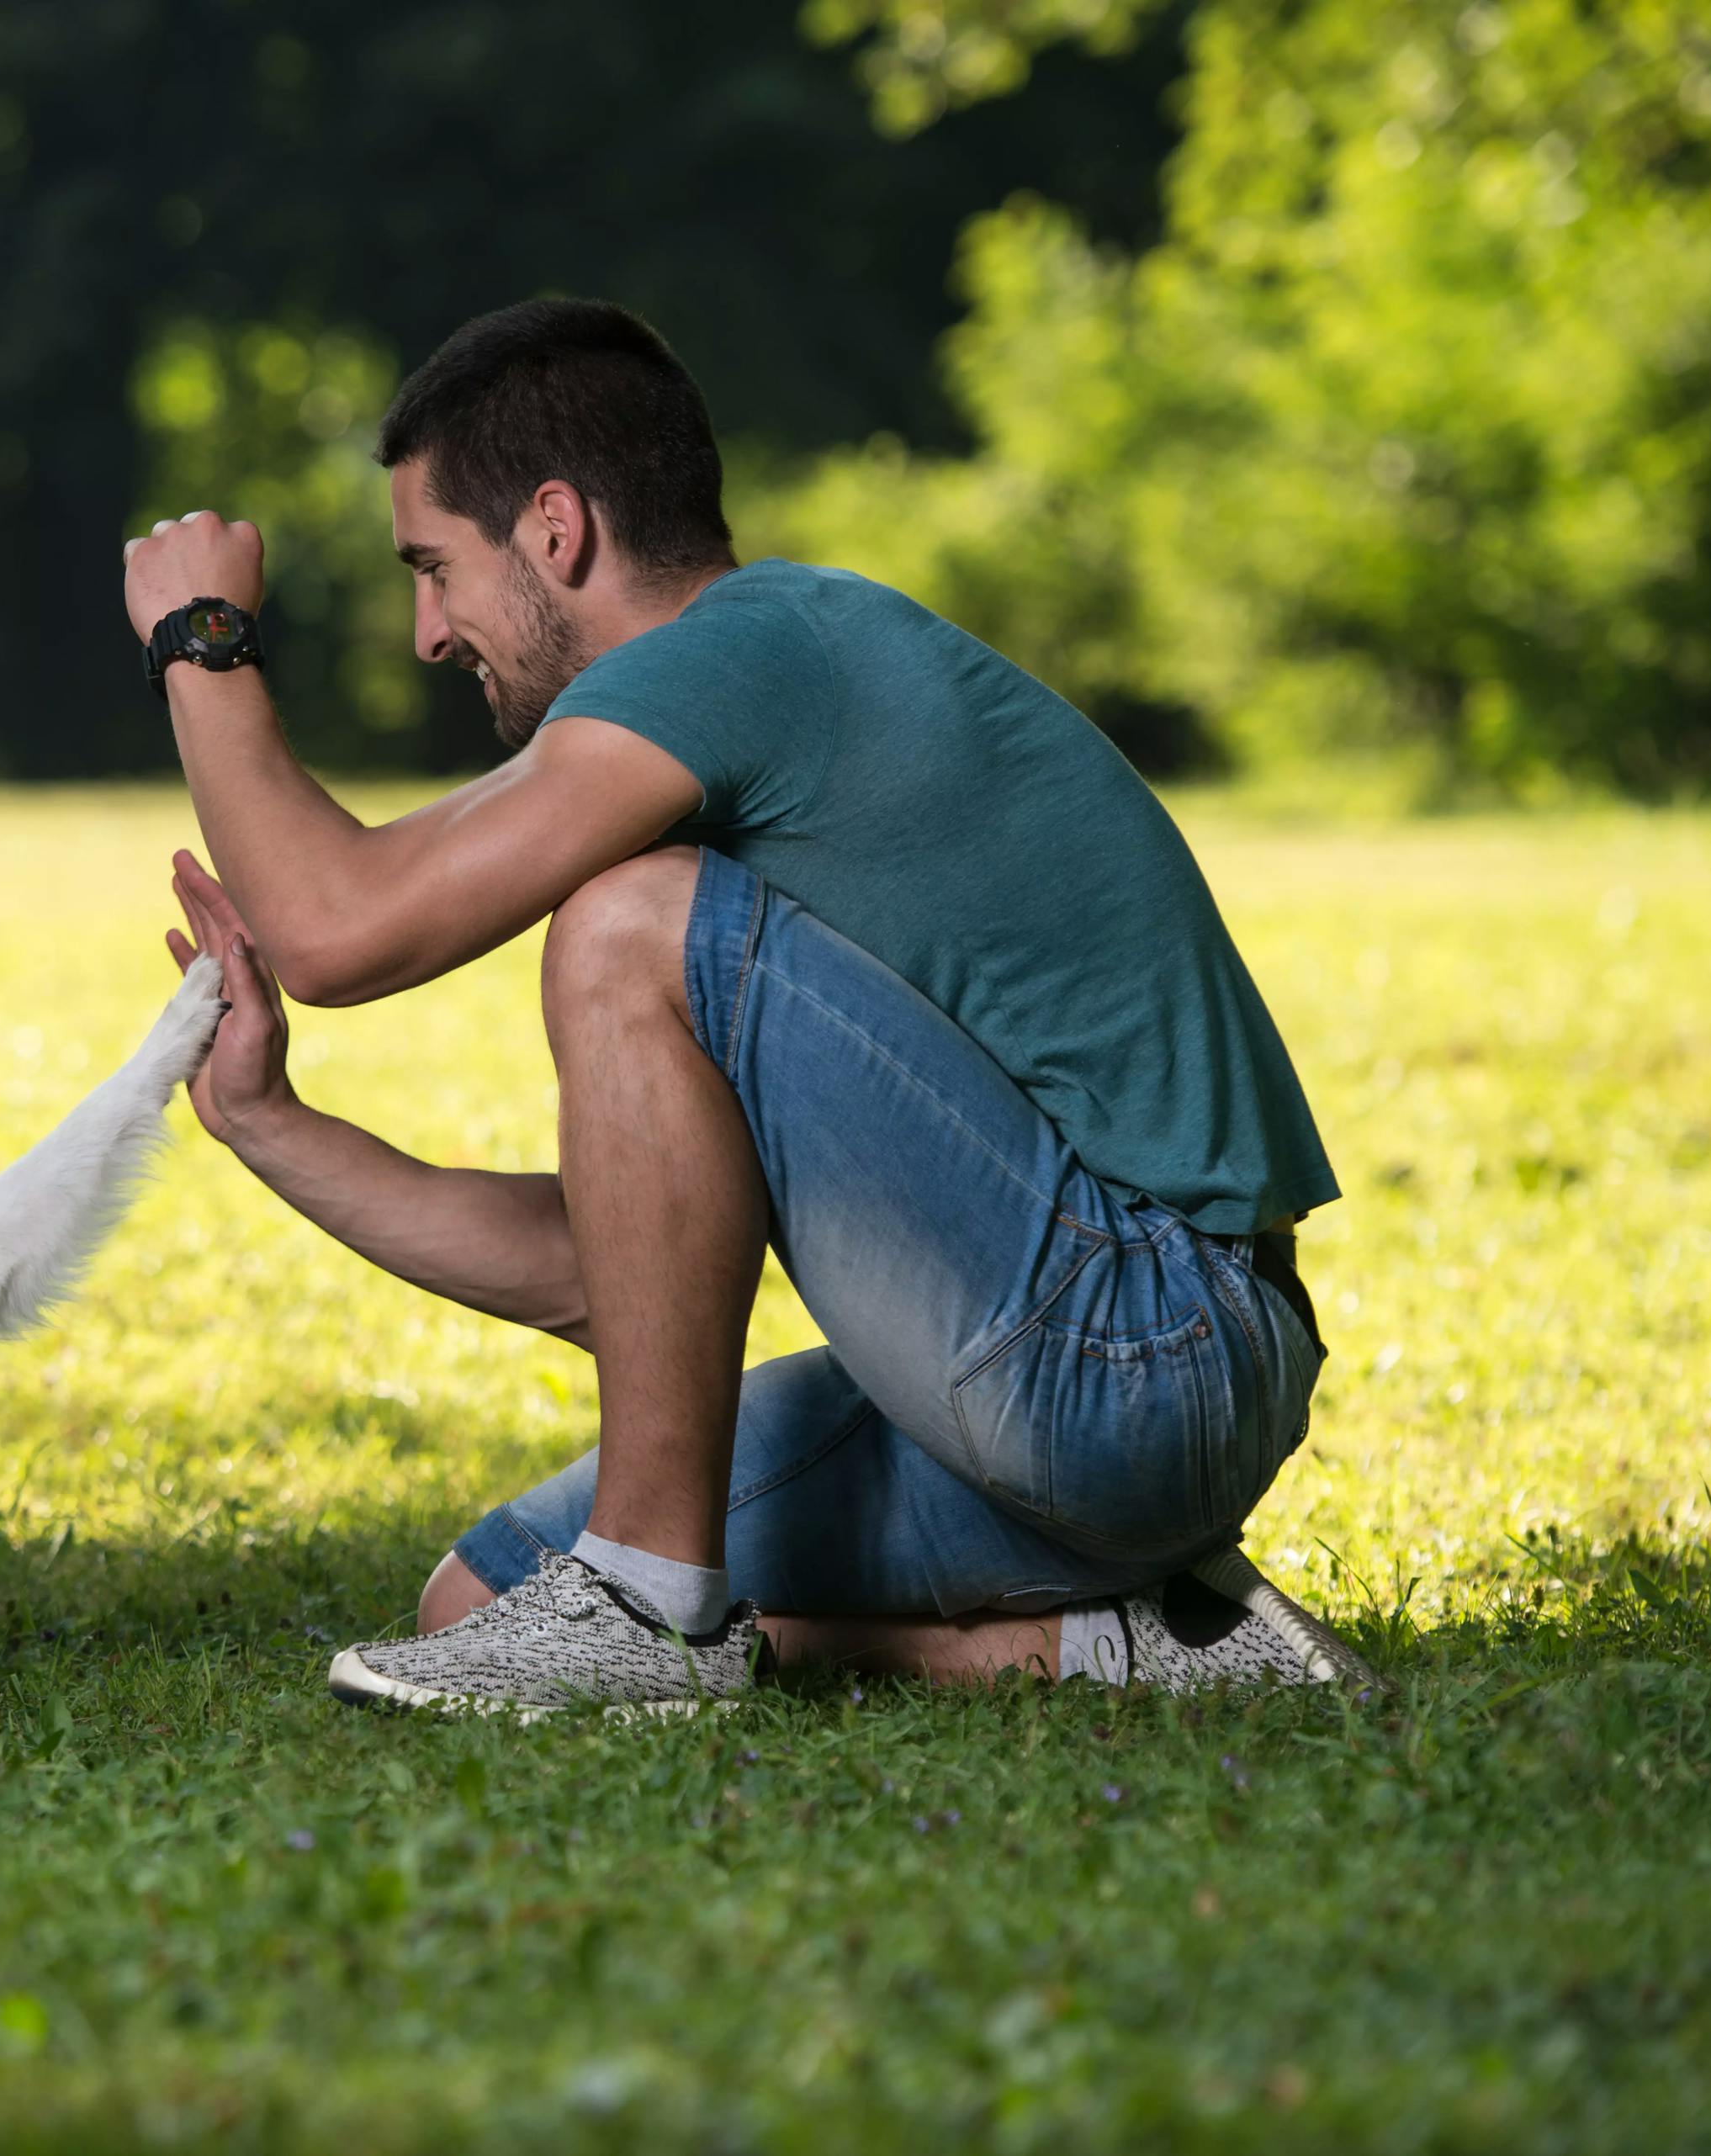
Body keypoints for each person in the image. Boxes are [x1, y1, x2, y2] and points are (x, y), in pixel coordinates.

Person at [122, 297, 1374, 1714]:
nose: (425, 632)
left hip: (1148, 1348)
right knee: (479, 1598)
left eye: (434, 568)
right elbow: (616, 1278)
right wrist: (271, 1124)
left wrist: (198, 633)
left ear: (554, 529)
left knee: (622, 923)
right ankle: (1150, 1650)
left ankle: (648, 1609)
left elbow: (336, 931)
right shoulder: (716, 717)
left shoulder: (755, 653)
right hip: (1086, 1394)